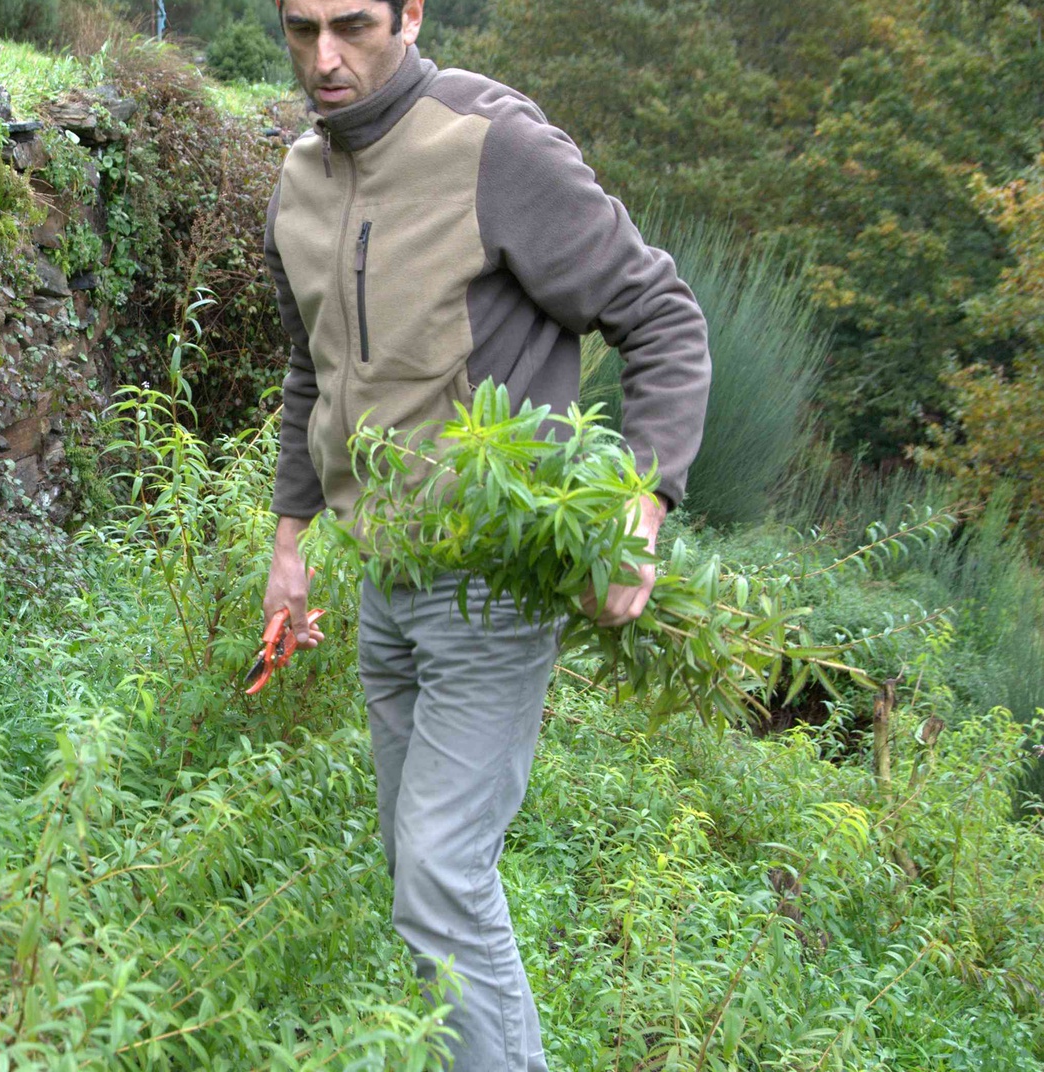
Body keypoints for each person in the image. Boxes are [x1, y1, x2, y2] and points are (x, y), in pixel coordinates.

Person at [257, 1, 713, 1069]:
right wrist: (288, 540)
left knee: (439, 877)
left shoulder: (491, 145)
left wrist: (639, 506)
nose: (325, 57)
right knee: (415, 865)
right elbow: (310, 371)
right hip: (384, 580)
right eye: (300, 29)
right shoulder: (301, 179)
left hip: (492, 584)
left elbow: (661, 316)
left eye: (353, 24)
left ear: (411, 15)